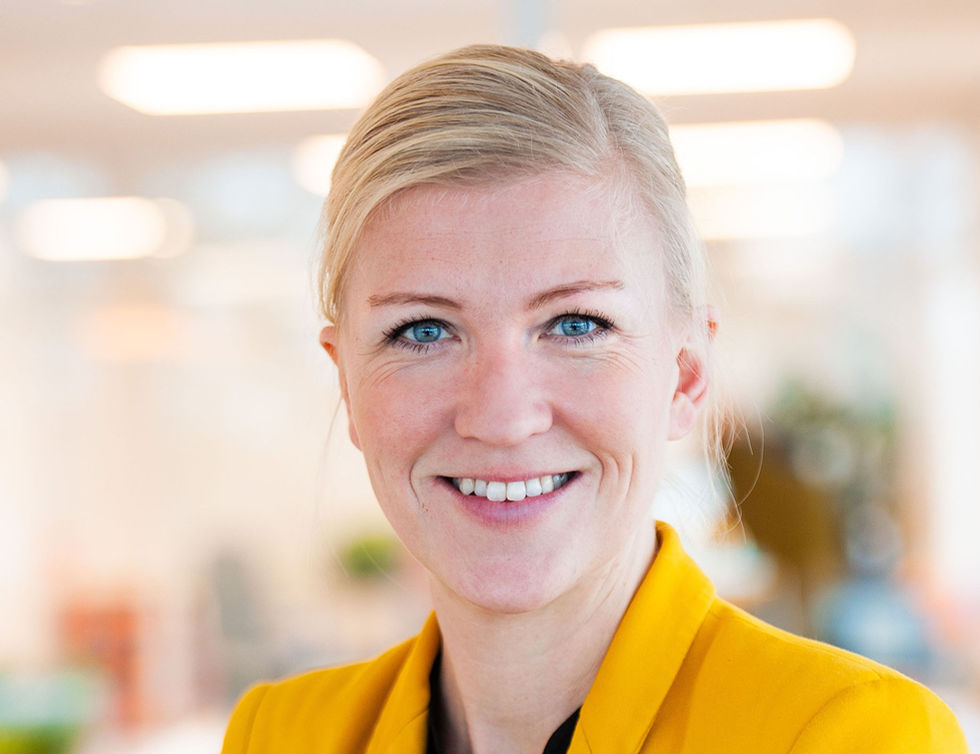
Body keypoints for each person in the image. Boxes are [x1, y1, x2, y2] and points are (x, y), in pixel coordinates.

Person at [222, 45, 967, 753]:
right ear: (347, 382)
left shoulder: (849, 734)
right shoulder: (280, 736)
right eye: (422, 331)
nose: (502, 418)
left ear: (685, 374)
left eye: (576, 324)